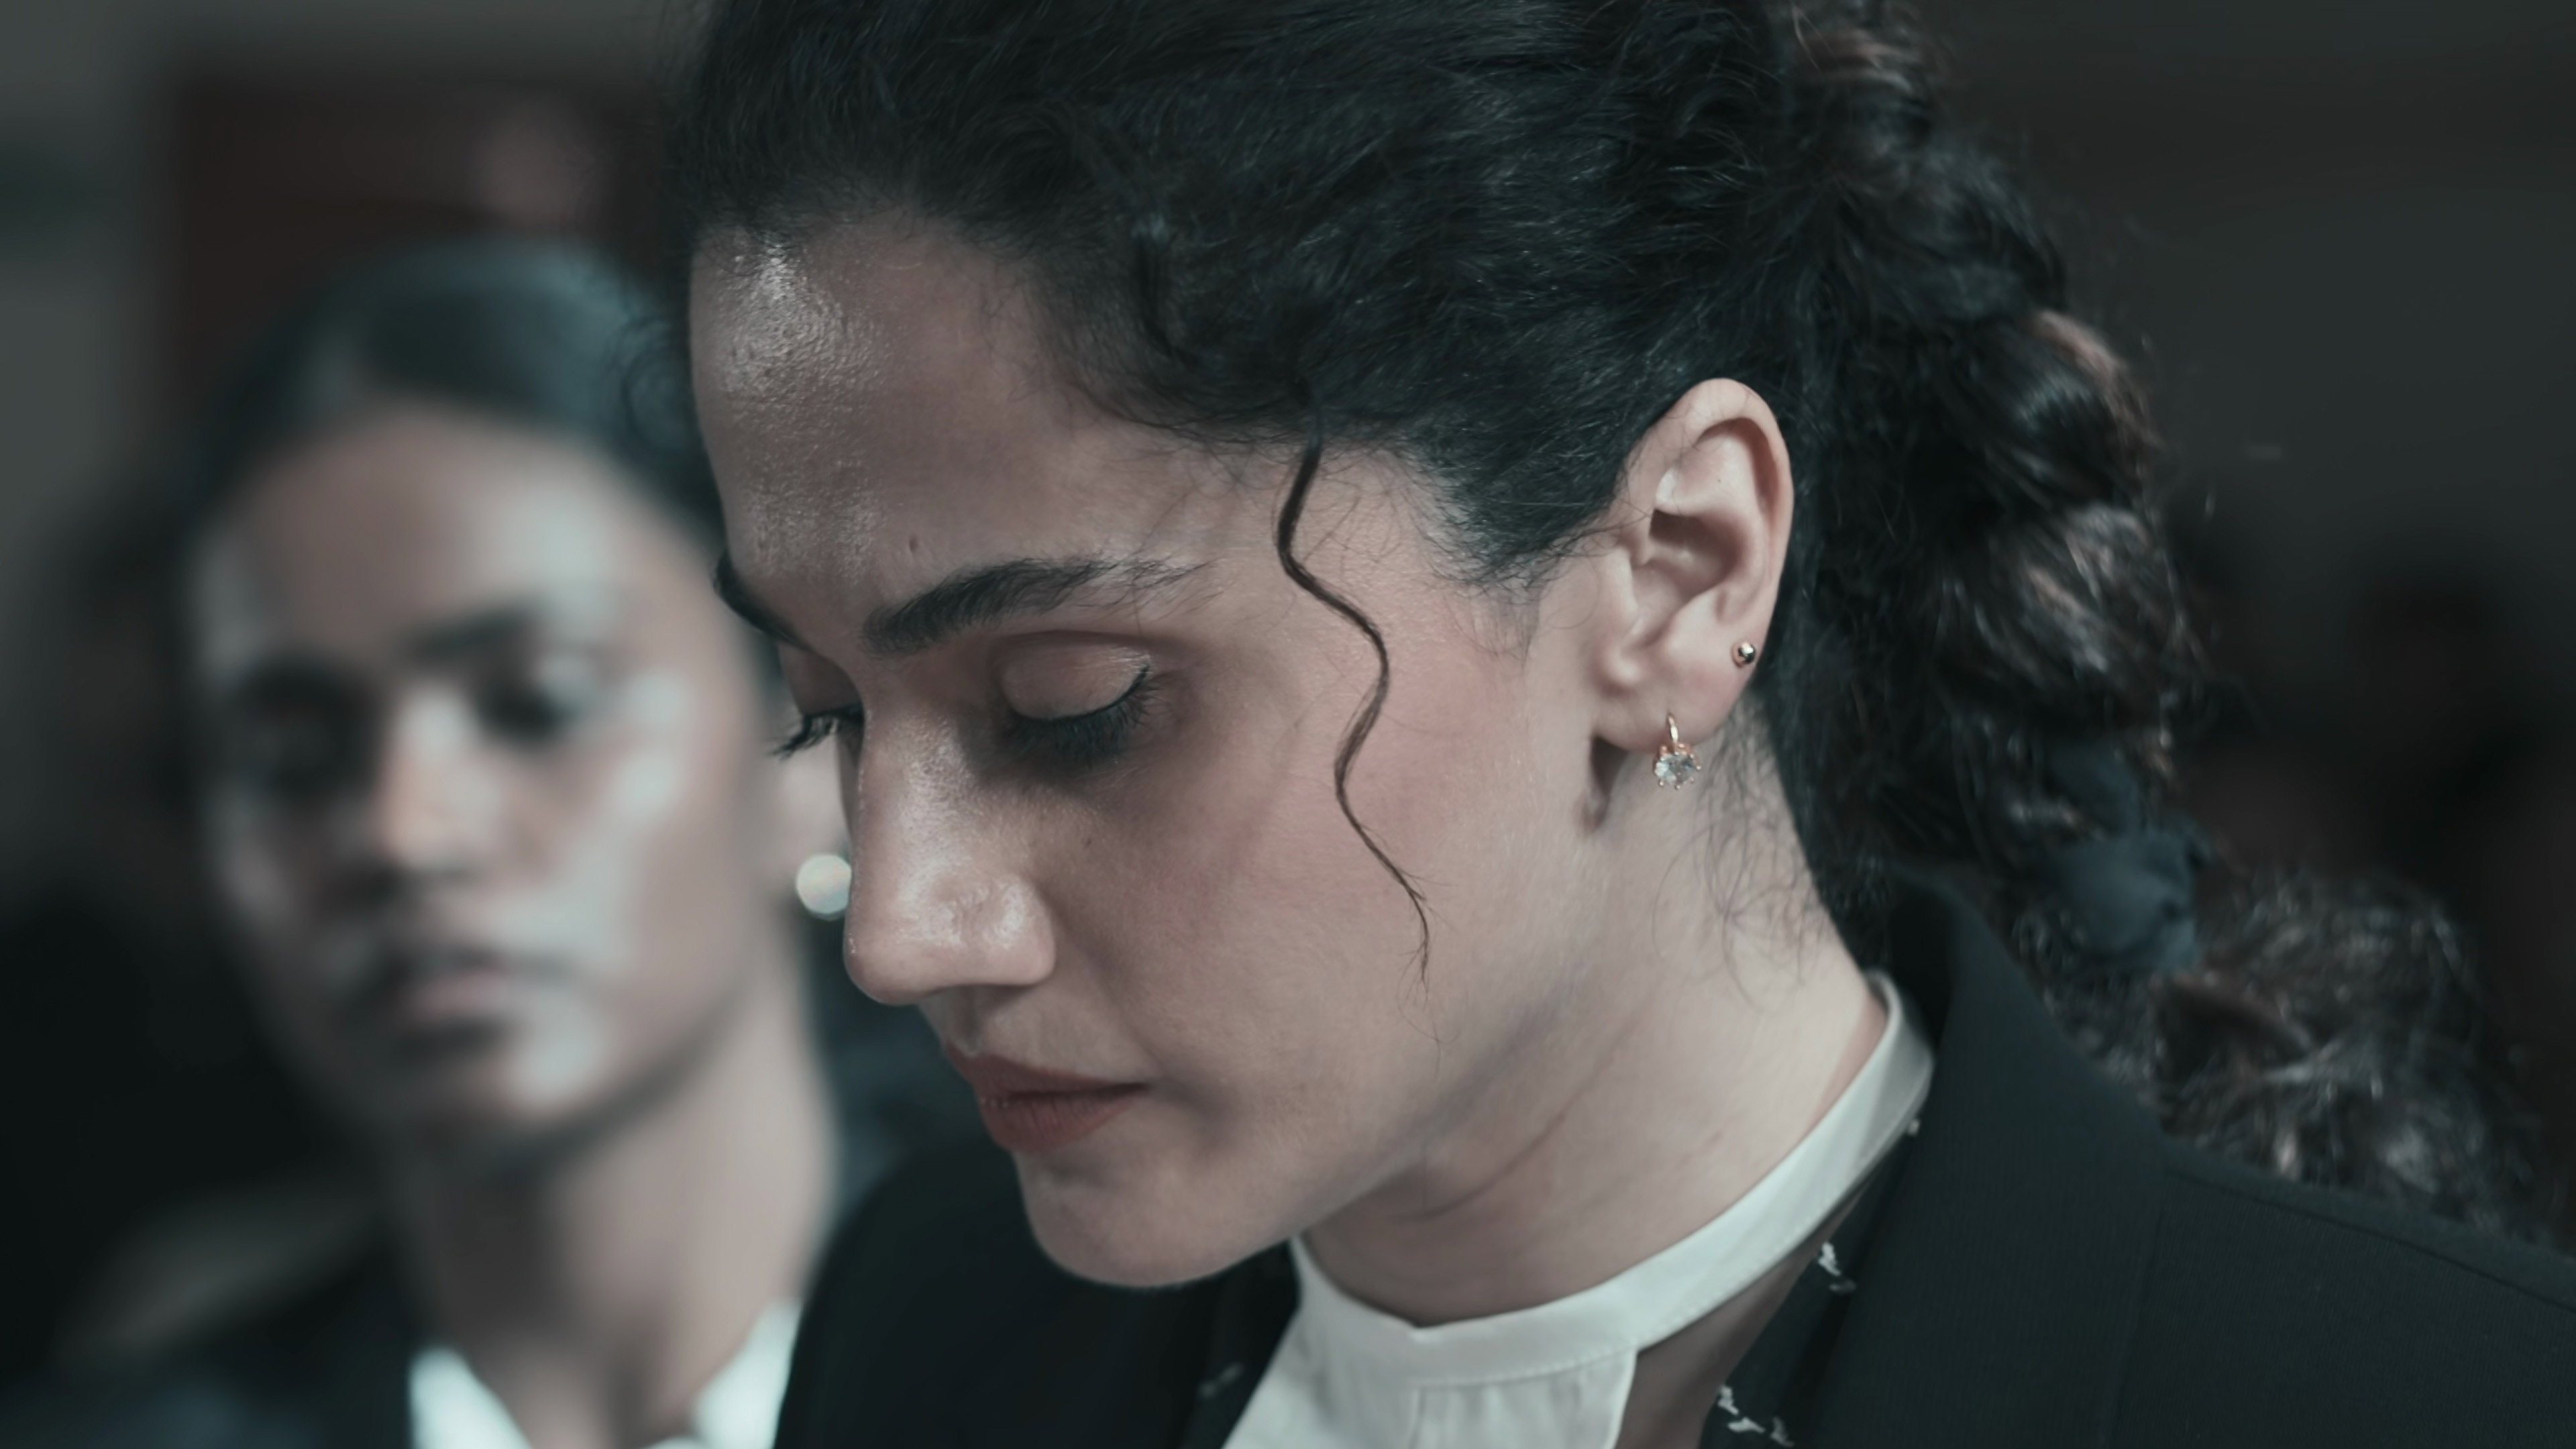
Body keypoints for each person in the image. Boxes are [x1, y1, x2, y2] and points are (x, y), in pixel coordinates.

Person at [669, 0, 2576, 1445]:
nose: (896, 925)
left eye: (1075, 707)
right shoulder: (933, 1327)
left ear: (1676, 573)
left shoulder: (2440, 1403)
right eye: (824, 709)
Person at [1, 238, 963, 1448]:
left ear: (808, 742)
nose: (400, 832)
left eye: (540, 703)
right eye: (291, 759)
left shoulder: (1127, 1385)